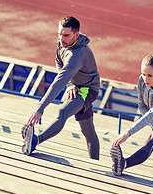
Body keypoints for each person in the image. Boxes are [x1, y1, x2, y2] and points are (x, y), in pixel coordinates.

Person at [22, 15, 100, 159]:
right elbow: (58, 61)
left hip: (88, 89)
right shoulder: (63, 42)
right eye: (59, 34)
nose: (61, 38)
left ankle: (35, 140)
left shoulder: (76, 56)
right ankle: (96, 163)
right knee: (88, 131)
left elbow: (59, 82)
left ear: (76, 35)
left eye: (66, 35)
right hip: (76, 85)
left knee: (62, 111)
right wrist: (70, 84)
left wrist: (40, 108)